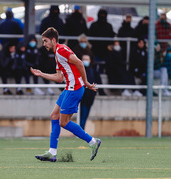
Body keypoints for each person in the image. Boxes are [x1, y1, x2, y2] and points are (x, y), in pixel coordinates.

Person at [31, 27, 101, 162]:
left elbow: (80, 62)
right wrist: (41, 74)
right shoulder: (58, 53)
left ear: (53, 40)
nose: (44, 44)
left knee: (63, 122)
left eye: (45, 41)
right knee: (54, 116)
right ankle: (52, 152)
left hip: (74, 89)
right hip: (69, 87)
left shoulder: (61, 50)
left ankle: (92, 141)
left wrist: (85, 82)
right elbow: (59, 78)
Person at [88, 8, 115, 74]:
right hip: (95, 49)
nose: (102, 16)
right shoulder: (94, 25)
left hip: (105, 50)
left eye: (104, 15)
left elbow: (112, 36)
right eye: (101, 15)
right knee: (94, 64)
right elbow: (90, 36)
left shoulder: (109, 26)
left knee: (103, 66)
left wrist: (109, 45)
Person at [79, 55, 102, 129]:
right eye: (84, 59)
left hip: (91, 97)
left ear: (90, 61)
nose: (85, 61)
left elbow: (98, 82)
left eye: (87, 59)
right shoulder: (79, 71)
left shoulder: (93, 71)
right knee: (83, 115)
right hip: (83, 97)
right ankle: (81, 132)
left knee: (85, 116)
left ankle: (82, 131)